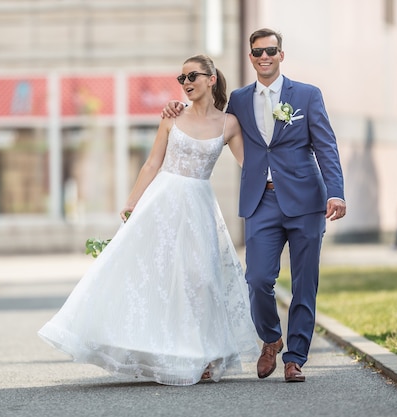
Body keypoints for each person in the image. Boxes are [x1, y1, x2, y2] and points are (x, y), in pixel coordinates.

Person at [38, 54, 260, 386]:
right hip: (163, 200)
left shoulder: (229, 124)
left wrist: (278, 182)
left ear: (211, 79)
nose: (185, 84)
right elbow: (152, 164)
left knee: (201, 278)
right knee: (154, 274)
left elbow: (250, 166)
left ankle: (204, 351)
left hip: (199, 205)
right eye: (181, 79)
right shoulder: (172, 118)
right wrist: (132, 202)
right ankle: (160, 351)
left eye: (192, 77)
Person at [162, 28, 346, 383]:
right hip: (262, 201)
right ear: (250, 57)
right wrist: (178, 105)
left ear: (281, 54)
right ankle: (271, 338)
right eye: (258, 52)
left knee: (305, 283)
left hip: (307, 201)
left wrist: (335, 192)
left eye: (271, 51)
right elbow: (208, 115)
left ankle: (295, 358)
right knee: (258, 279)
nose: (264, 57)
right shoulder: (241, 100)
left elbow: (326, 146)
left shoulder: (307, 96)